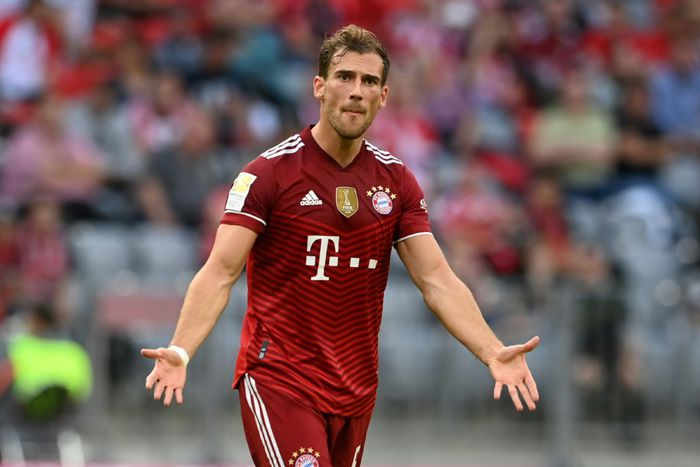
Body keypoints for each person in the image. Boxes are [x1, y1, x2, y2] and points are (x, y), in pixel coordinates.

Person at [142, 24, 540, 467]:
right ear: (319, 86)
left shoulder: (396, 181)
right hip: (280, 380)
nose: (356, 91)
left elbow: (436, 279)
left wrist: (491, 350)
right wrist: (181, 349)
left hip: (355, 390)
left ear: (383, 97)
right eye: (344, 77)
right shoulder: (268, 174)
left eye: (369, 81)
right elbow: (220, 271)